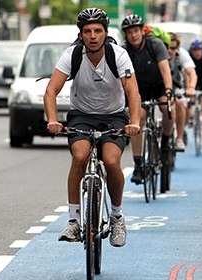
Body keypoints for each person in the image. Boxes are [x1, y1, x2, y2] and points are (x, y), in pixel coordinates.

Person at [44, 8, 141, 247]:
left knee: (110, 161)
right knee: (80, 156)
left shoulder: (118, 55)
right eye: (87, 31)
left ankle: (117, 216)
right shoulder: (72, 55)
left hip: (113, 116)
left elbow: (132, 92)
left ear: (106, 33)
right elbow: (51, 91)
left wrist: (134, 122)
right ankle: (74, 220)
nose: (93, 36)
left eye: (98, 30)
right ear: (81, 35)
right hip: (82, 116)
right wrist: (53, 120)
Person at [120, 14, 174, 184]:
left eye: (136, 31)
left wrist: (168, 91)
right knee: (137, 119)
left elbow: (165, 70)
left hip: (158, 85)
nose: (133, 35)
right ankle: (138, 165)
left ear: (142, 31)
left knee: (167, 108)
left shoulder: (155, 45)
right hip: (138, 91)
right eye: (129, 33)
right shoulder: (124, 51)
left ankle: (165, 143)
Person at [167, 32, 197, 152]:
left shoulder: (182, 54)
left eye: (173, 48)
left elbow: (191, 72)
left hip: (176, 85)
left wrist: (191, 87)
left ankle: (179, 138)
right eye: (167, 47)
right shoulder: (157, 52)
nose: (170, 51)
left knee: (179, 103)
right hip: (160, 85)